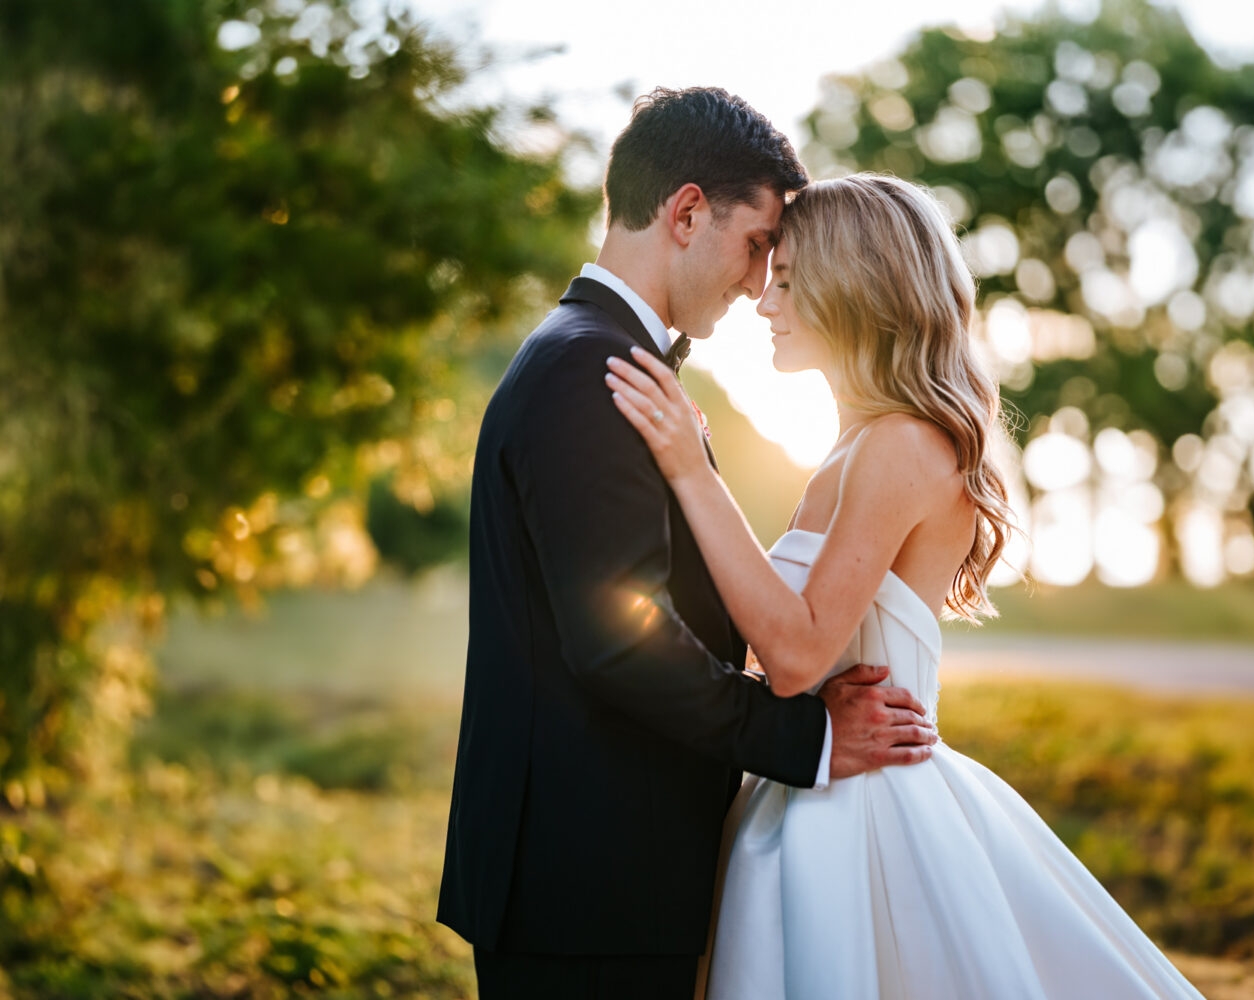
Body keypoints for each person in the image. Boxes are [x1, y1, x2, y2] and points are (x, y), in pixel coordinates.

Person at [605, 172, 1209, 1000]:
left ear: (851, 289)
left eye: (785, 282)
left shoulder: (900, 445)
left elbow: (797, 651)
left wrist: (689, 470)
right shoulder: (859, 444)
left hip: (865, 822)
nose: (764, 303)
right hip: (808, 792)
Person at [435, 89, 937, 1000]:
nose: (759, 286)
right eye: (757, 247)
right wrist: (809, 735)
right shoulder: (595, 373)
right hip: (586, 888)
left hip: (599, 878)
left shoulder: (598, 358)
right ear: (688, 211)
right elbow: (621, 641)